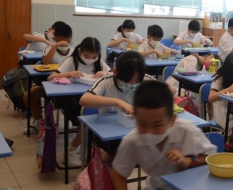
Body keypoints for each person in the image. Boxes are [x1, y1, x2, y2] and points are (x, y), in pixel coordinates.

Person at [48, 37, 111, 166]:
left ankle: (93, 149)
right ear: (80, 51)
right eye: (86, 56)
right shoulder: (71, 60)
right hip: (72, 100)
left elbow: (113, 75)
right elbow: (51, 77)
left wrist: (104, 73)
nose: (90, 59)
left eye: (94, 57)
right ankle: (71, 151)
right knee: (89, 122)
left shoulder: (99, 61)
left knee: (101, 119)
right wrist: (69, 73)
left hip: (92, 98)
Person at [23, 23, 74, 133]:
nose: (64, 44)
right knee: (28, 96)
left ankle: (77, 123)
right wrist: (54, 47)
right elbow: (45, 62)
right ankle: (39, 122)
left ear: (71, 39)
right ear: (54, 39)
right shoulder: (49, 49)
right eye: (60, 42)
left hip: (70, 86)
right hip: (51, 85)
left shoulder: (74, 51)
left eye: (67, 42)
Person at [80, 51, 162, 116]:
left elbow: (167, 91)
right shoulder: (106, 82)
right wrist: (117, 102)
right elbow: (84, 100)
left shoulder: (145, 79)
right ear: (115, 72)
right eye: (127, 80)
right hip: (108, 126)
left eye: (137, 81)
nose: (132, 84)